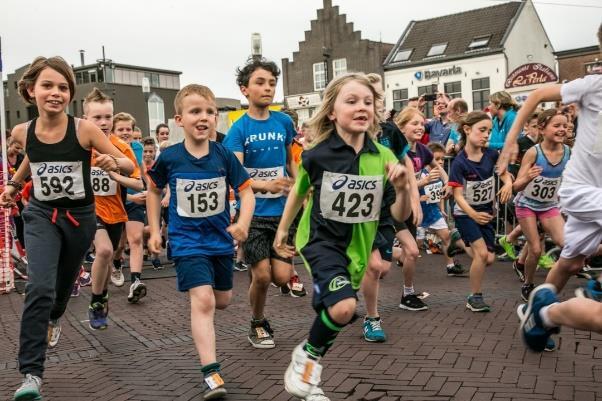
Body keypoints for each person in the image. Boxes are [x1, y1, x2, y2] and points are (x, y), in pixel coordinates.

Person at [0, 56, 134, 401]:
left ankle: (56, 316)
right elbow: (34, 155)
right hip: (42, 215)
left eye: (63, 87)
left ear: (70, 94)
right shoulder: (21, 131)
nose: (55, 93)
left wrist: (111, 160)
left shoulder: (84, 130)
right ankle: (31, 374)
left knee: (60, 291)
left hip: (80, 219)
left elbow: (129, 165)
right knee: (39, 287)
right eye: (47, 86)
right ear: (31, 91)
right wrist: (15, 184)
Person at [272, 73, 412, 401]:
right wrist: (283, 230)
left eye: (368, 102)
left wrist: (404, 187)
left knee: (335, 311)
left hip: (357, 249)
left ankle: (307, 365)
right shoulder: (317, 155)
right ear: (332, 111)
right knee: (345, 307)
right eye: (351, 101)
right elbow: (298, 192)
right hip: (320, 242)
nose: (362, 107)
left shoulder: (384, 158)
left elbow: (400, 215)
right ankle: (306, 367)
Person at [147, 84, 255, 399]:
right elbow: (154, 190)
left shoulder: (223, 155)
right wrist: (155, 230)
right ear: (179, 119)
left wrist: (242, 224)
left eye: (210, 111)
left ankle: (202, 302)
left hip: (220, 241)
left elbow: (246, 191)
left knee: (222, 300)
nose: (204, 117)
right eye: (196, 111)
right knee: (204, 301)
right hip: (186, 241)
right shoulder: (170, 157)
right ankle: (211, 373)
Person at [499, 24, 602, 353]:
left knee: (570, 262)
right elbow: (537, 95)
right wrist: (511, 140)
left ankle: (537, 313)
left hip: (589, 200)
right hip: (581, 191)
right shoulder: (593, 86)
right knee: (546, 251)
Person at [223, 57, 298, 349]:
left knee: (281, 277)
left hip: (283, 213)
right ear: (245, 90)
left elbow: (291, 159)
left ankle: (282, 284)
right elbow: (237, 176)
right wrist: (267, 184)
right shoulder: (238, 130)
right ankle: (257, 321)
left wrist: (300, 184)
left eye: (272, 83)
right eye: (260, 82)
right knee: (263, 276)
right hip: (253, 214)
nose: (268, 88)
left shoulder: (284, 122)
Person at [85, 97, 143, 328]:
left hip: (116, 212)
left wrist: (116, 174)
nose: (103, 122)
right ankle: (96, 301)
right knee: (104, 250)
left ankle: (102, 293)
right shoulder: (80, 145)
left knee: (111, 256)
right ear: (85, 119)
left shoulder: (122, 148)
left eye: (108, 116)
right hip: (89, 210)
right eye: (97, 117)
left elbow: (138, 183)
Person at [448, 111, 513, 312]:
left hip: (487, 212)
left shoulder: (492, 155)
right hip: (465, 213)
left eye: (490, 131)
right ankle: (474, 296)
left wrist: (508, 183)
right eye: (482, 130)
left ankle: (458, 240)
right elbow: (458, 196)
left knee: (489, 259)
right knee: (482, 255)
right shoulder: (459, 162)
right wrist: (473, 215)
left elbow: (505, 174)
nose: (487, 135)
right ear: (467, 130)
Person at [512, 109, 569, 302]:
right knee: (535, 249)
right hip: (527, 204)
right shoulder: (533, 152)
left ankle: (547, 281)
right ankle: (528, 284)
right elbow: (516, 186)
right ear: (542, 129)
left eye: (565, 125)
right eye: (557, 125)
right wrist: (528, 177)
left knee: (566, 244)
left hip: (549, 205)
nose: (562, 129)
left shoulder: (568, 152)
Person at [111, 112, 149, 303]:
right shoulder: (106, 148)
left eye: (129, 129)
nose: (125, 132)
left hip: (134, 202)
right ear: (113, 130)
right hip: (116, 201)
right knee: (119, 244)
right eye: (121, 129)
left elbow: (142, 171)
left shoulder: (137, 147)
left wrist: (151, 189)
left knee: (135, 240)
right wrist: (132, 197)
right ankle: (117, 262)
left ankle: (135, 281)